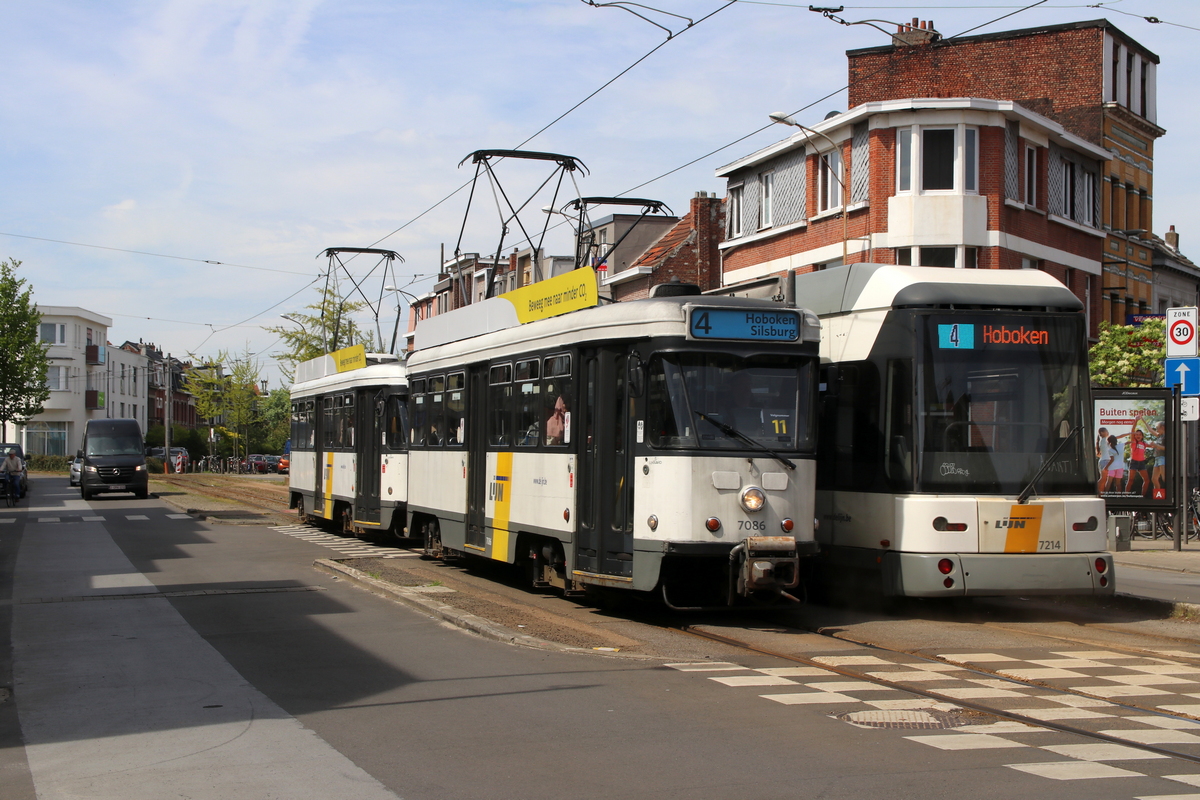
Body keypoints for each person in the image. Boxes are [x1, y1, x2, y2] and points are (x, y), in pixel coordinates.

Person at [1124, 428, 1151, 496]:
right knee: (1130, 480)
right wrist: (1135, 421)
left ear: (1142, 436)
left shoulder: (1144, 444)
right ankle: (1125, 496)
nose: (1138, 436)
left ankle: (1142, 496)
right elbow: (1132, 430)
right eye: (1136, 434)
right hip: (1134, 462)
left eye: (1140, 435)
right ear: (1134, 436)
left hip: (1141, 463)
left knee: (1147, 480)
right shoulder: (1133, 441)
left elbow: (1153, 445)